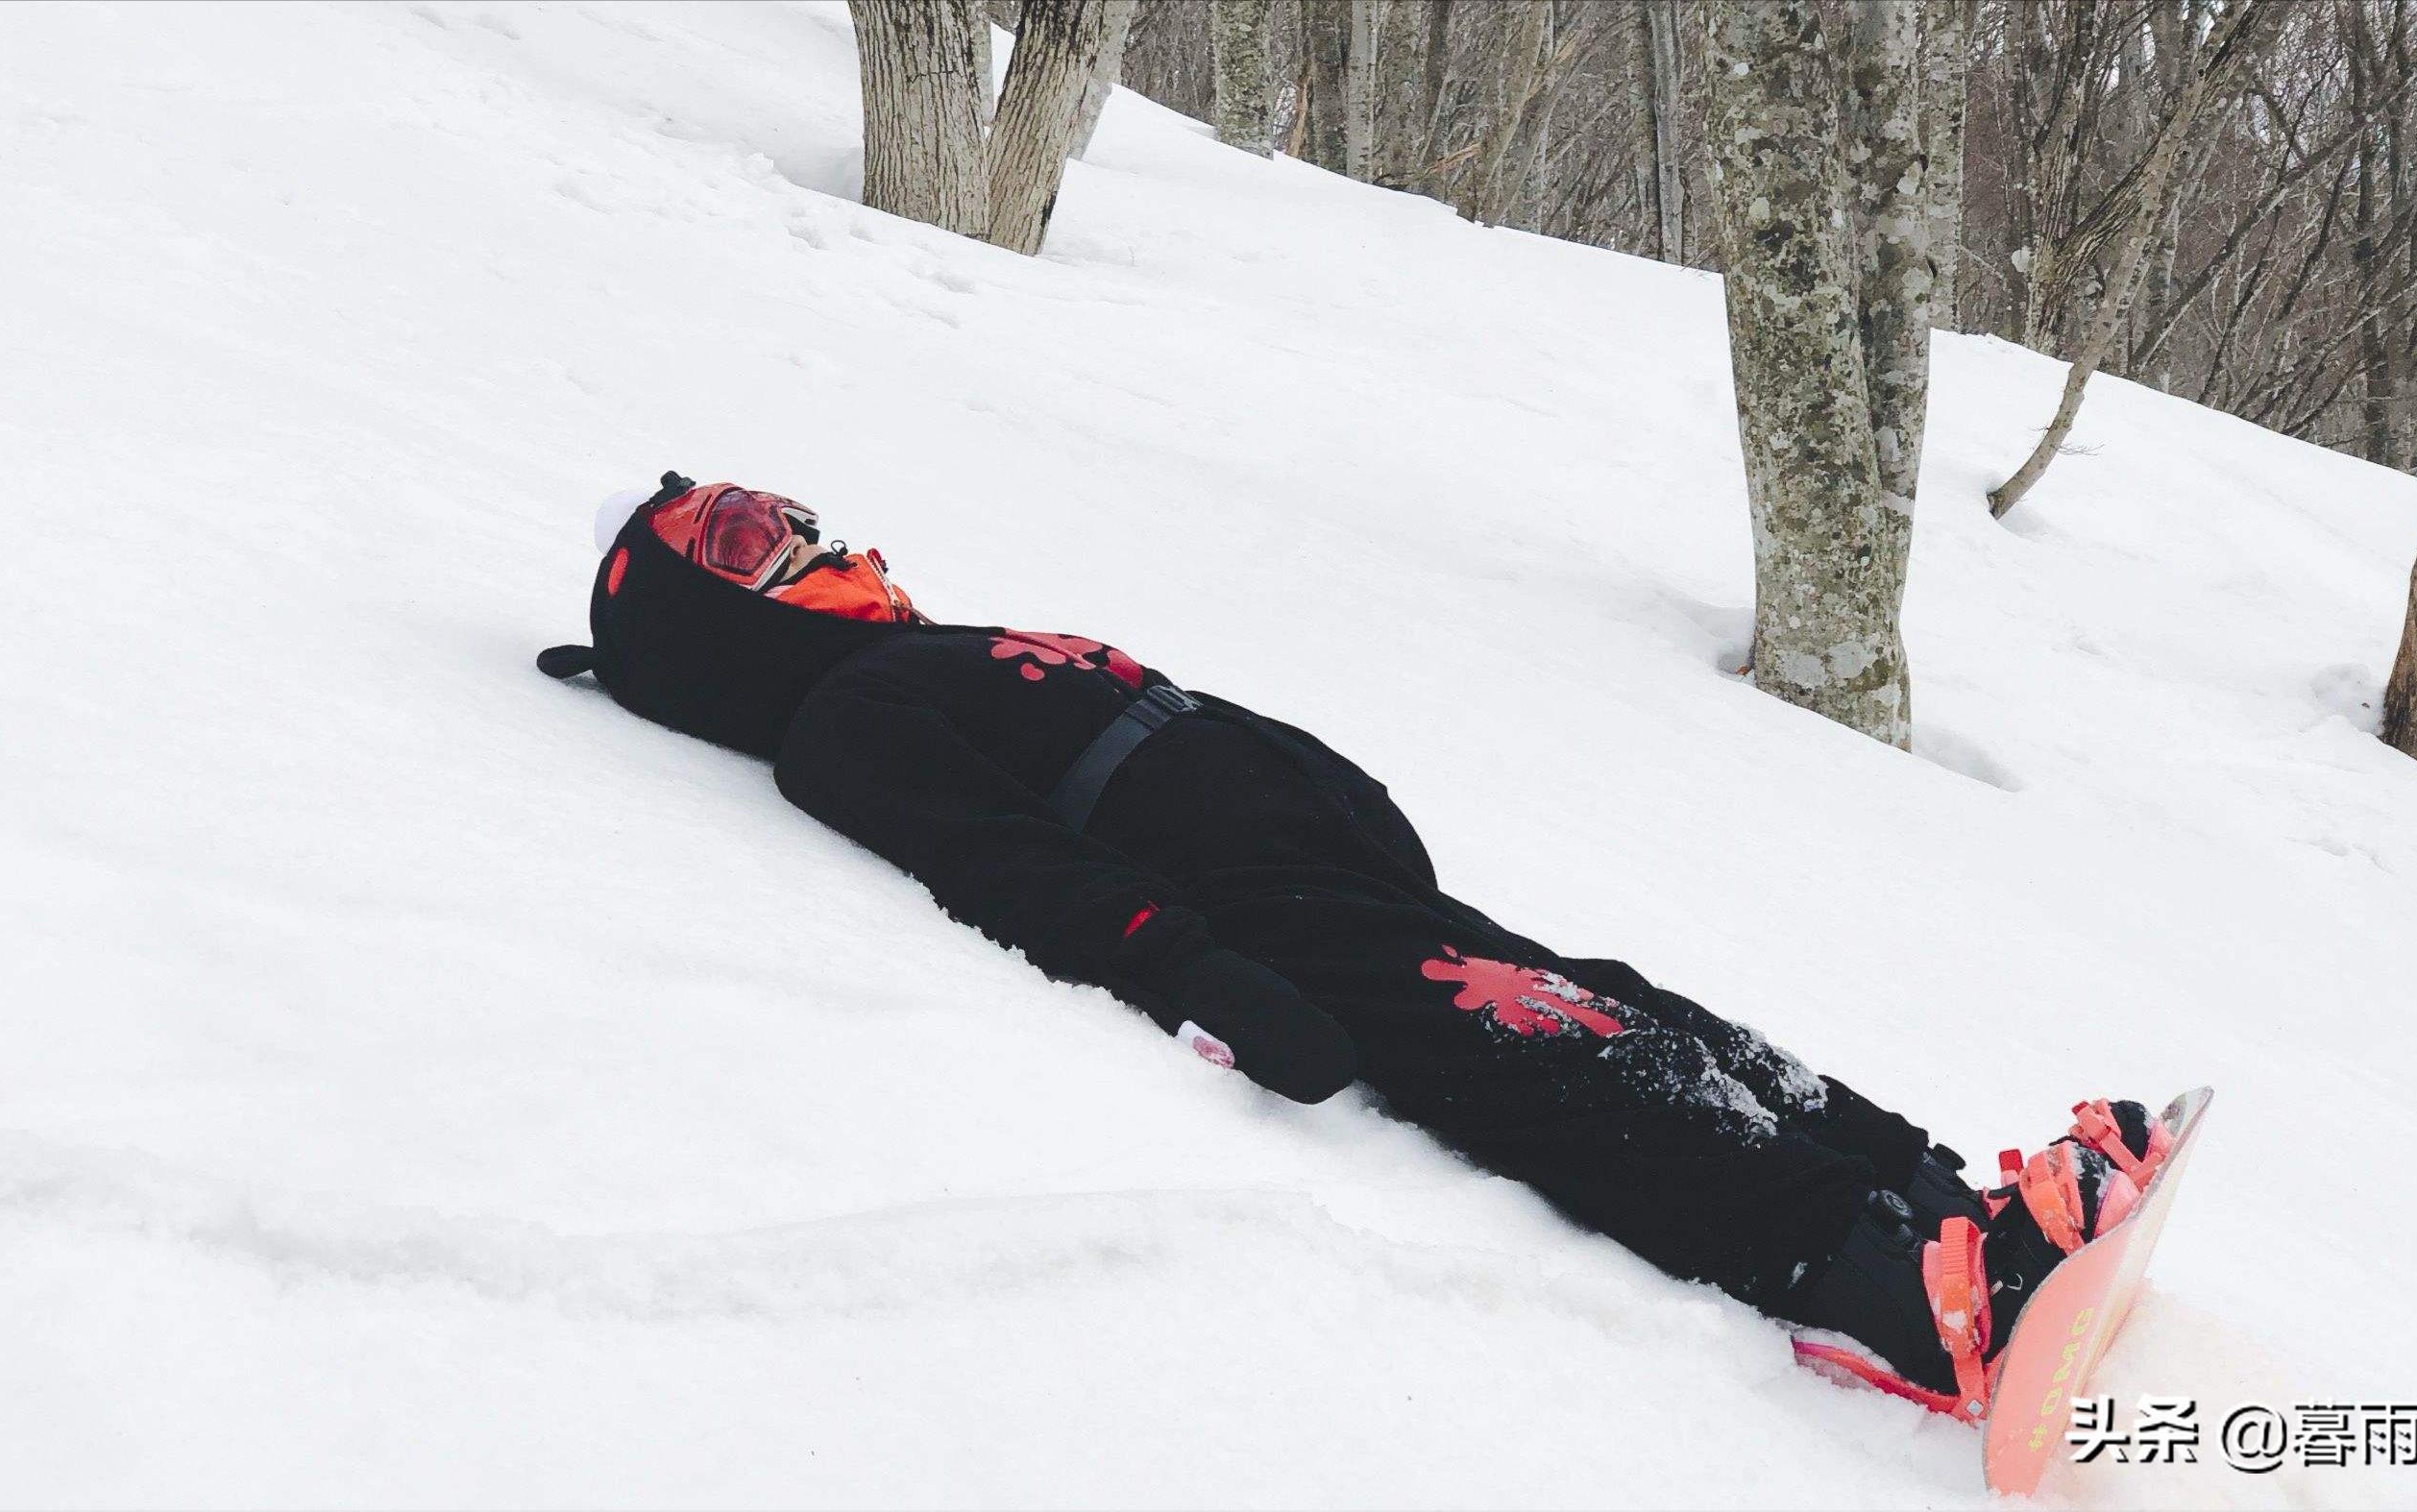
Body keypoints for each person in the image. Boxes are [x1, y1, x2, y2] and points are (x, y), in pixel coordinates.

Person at [537, 475, 2171, 1422]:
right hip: (1250, 907)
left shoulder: (921, 650)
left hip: (1314, 858)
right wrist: (1194, 975)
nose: (816, 539)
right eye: (752, 547)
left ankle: (1943, 1197)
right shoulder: (846, 715)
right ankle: (1896, 1297)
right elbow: (1001, 860)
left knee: (1632, 1008)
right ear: (709, 633)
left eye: (787, 512)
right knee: (1555, 1053)